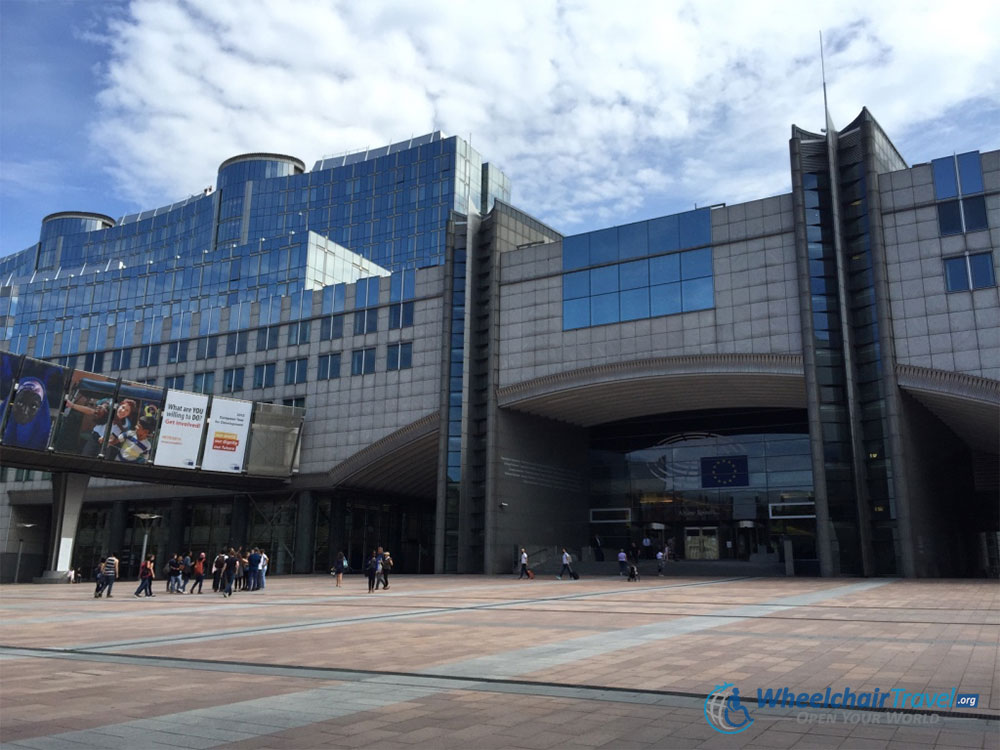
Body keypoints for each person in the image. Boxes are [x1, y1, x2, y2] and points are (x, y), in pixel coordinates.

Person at [3, 377, 52, 450]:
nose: (25, 411)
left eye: (33, 406)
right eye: (20, 403)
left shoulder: (44, 435)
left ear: (41, 408)